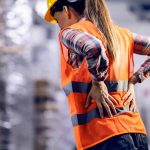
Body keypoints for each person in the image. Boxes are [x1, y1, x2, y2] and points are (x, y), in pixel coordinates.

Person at [44, 0, 150, 149]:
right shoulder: (122, 34)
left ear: (65, 9)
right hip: (136, 133)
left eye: (56, 19)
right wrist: (134, 80)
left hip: (103, 136)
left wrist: (98, 82)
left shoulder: (69, 33)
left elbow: (93, 47)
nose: (58, 25)